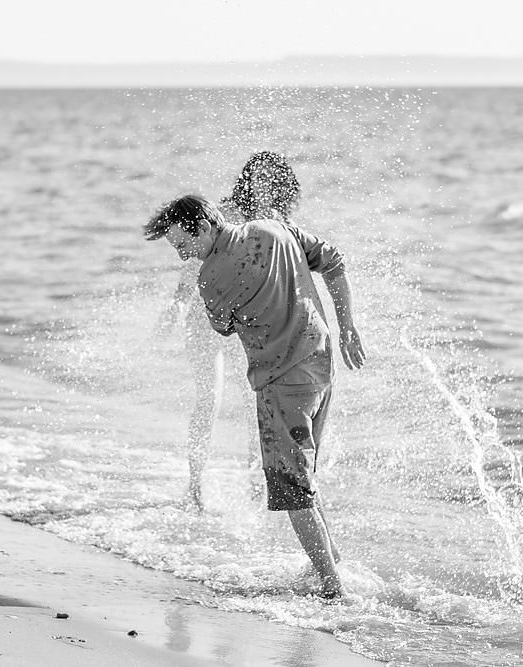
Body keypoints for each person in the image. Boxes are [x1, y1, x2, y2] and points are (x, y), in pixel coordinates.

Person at [144, 193, 366, 599]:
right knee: (305, 476)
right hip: (321, 364)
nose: (182, 257)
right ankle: (332, 559)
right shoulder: (276, 229)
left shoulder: (210, 277)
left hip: (280, 382)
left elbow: (223, 327)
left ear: (206, 225)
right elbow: (334, 261)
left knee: (292, 490)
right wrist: (348, 325)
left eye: (182, 245)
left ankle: (333, 589)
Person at [156, 152, 304, 512]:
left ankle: (257, 487)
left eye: (275, 184)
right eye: (262, 180)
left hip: (249, 323)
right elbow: (194, 260)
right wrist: (177, 304)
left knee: (260, 402)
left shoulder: (277, 224)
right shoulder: (225, 215)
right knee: (211, 399)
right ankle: (194, 488)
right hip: (205, 319)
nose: (267, 189)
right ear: (250, 181)